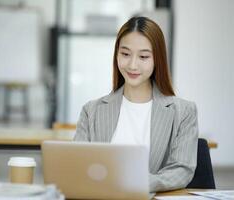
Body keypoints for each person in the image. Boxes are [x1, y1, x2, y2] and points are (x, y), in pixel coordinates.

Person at [74, 16, 198, 193]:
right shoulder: (91, 111)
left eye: (143, 56)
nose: (133, 65)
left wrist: (139, 183)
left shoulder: (184, 112)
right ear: (116, 54)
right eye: (125, 54)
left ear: (158, 59)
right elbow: (77, 164)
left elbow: (182, 170)